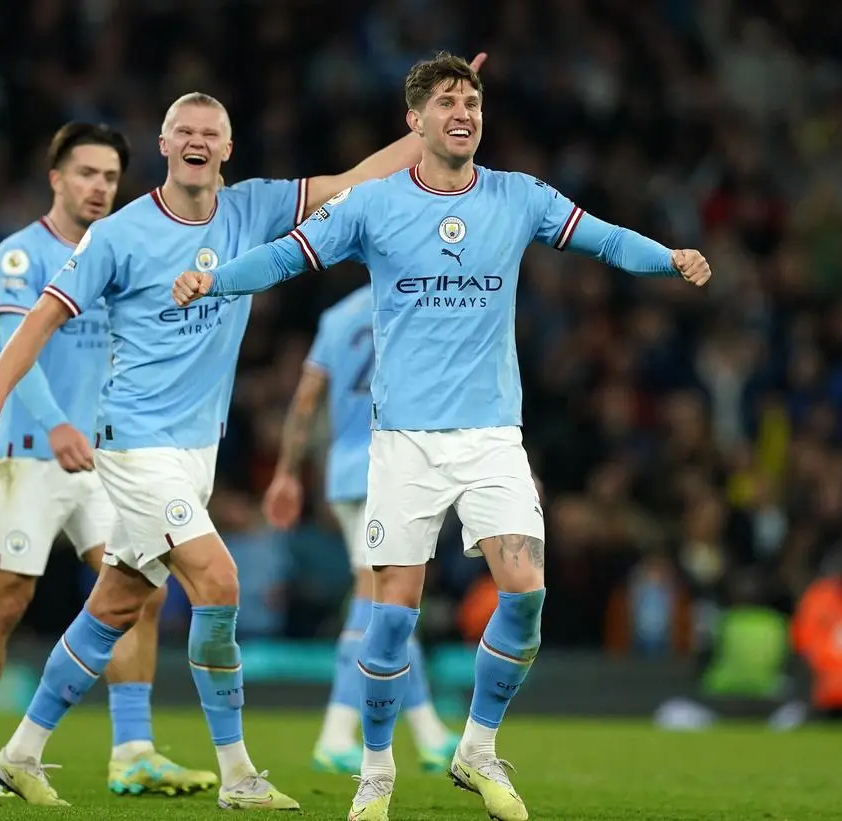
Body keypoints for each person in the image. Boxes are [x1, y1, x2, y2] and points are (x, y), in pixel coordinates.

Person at [172, 52, 712, 821]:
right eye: (448, 101)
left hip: (493, 435)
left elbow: (600, 238)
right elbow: (285, 257)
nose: (464, 112)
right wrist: (213, 276)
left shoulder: (516, 196)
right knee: (392, 612)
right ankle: (376, 770)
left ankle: (477, 747)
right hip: (406, 443)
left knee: (526, 594)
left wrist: (669, 257)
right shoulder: (374, 205)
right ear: (415, 121)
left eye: (473, 101)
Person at [0, 57, 486, 809]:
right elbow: (40, 316)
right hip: (134, 442)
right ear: (166, 144)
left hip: (195, 447)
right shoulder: (120, 233)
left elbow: (354, 178)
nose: (199, 140)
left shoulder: (252, 209)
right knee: (219, 581)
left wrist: (431, 119)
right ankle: (238, 773)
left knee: (115, 602)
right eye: (186, 130)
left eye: (213, 132)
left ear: (227, 150)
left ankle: (20, 751)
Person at [0, 122, 216, 798]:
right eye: (86, 173)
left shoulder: (122, 251)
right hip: (31, 452)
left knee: (139, 593)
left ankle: (131, 750)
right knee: (6, 599)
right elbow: (17, 343)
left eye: (108, 176)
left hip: (108, 456)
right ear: (56, 179)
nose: (98, 186)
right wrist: (57, 423)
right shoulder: (19, 256)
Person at [263, 284, 456, 774]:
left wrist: (287, 472)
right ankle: (335, 733)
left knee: (392, 601)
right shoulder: (417, 306)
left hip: (345, 471)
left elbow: (306, 402)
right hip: (390, 465)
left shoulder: (335, 317)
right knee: (377, 599)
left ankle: (430, 732)